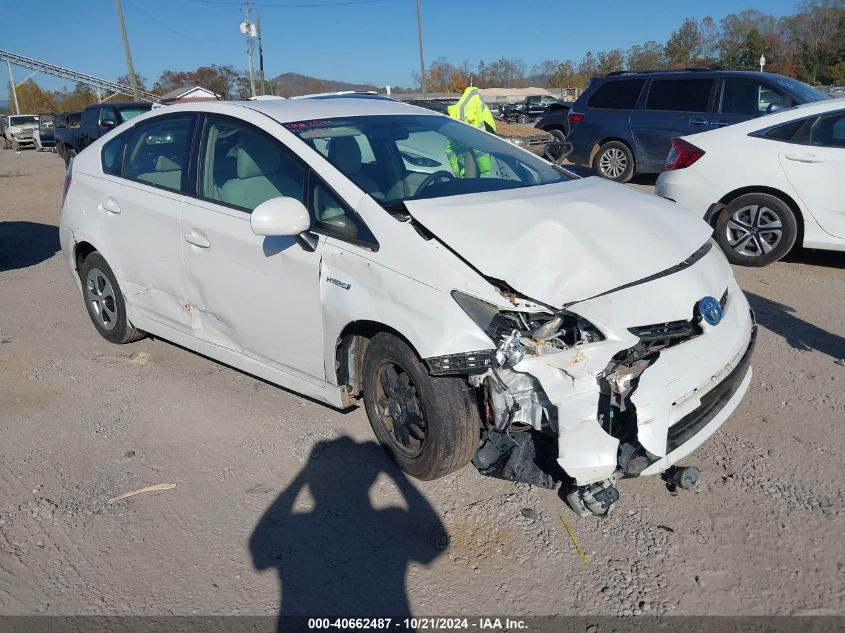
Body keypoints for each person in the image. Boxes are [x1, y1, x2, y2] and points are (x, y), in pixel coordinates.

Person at [445, 86, 497, 178]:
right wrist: (487, 172)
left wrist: (457, 173)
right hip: (479, 173)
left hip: (466, 172)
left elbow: (449, 149)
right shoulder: (475, 115)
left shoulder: (454, 122)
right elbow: (479, 147)